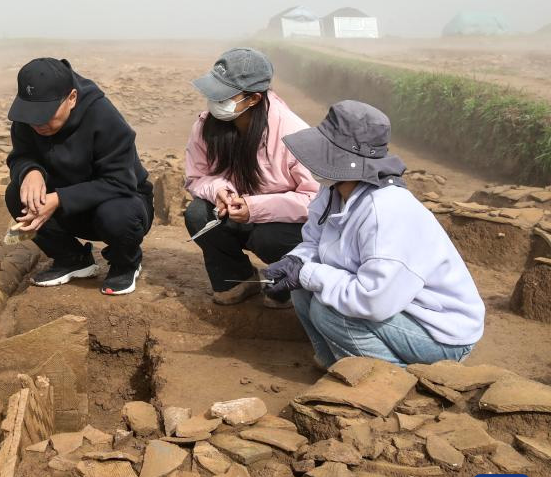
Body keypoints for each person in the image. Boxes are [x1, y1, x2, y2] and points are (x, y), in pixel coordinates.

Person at [262, 100, 484, 368]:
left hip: (440, 332)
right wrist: (296, 260)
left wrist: (308, 273)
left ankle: (394, 378)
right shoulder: (333, 190)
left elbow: (374, 301)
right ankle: (333, 363)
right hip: (398, 306)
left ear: (347, 161)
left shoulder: (386, 211)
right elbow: (315, 241)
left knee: (331, 314)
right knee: (301, 287)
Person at [5, 57, 154, 295]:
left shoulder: (104, 117)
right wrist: (30, 171)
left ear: (72, 98)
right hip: (68, 206)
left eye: (46, 114)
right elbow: (21, 156)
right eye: (32, 114)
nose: (37, 123)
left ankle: (126, 263)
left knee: (117, 214)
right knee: (17, 193)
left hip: (121, 204)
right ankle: (72, 259)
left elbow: (120, 183)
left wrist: (58, 199)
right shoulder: (28, 118)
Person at [184, 47, 319, 307]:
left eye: (224, 95)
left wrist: (255, 208)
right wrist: (219, 191)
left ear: (254, 99)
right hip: (238, 211)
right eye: (213, 91)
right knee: (198, 214)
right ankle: (237, 278)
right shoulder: (205, 126)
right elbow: (197, 176)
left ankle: (290, 282)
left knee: (269, 239)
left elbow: (314, 199)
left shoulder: (295, 135)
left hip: (284, 223)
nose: (214, 100)